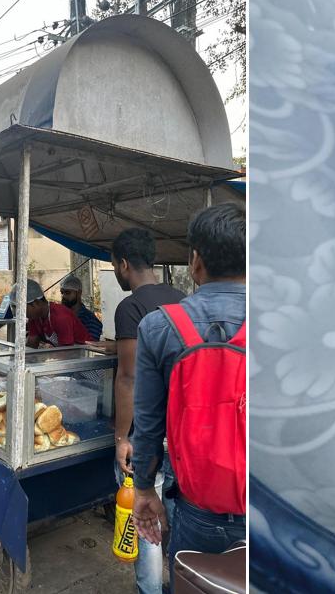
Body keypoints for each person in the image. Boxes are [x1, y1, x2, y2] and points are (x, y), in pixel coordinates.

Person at [130, 203, 246, 587]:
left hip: (199, 512)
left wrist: (145, 489)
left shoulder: (159, 327)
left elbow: (147, 423)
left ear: (195, 261)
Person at [110, 228, 186, 593]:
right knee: (173, 519)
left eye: (114, 267)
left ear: (123, 264)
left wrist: (123, 437)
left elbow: (129, 376)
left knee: (147, 522)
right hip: (181, 430)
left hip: (147, 433)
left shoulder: (131, 307)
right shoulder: (183, 298)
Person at [10, 278, 90, 348]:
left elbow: (66, 353)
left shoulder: (61, 317)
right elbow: (32, 344)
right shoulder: (35, 318)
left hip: (86, 355)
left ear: (36, 303)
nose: (22, 314)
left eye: (23, 309)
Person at [60, 275, 102, 341]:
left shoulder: (90, 320)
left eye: (67, 292)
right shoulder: (60, 317)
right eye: (62, 292)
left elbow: (90, 347)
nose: (64, 296)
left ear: (79, 293)